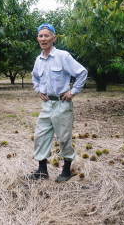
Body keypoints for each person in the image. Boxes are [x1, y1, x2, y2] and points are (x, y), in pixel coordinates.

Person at [28, 23, 88, 182]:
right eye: (40, 36)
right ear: (37, 39)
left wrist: (73, 92)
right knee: (40, 135)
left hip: (62, 104)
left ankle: (66, 170)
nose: (43, 39)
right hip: (47, 105)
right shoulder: (38, 59)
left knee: (64, 137)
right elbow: (35, 77)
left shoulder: (63, 56)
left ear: (54, 38)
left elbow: (82, 72)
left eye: (46, 35)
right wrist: (38, 89)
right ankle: (42, 170)